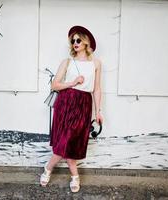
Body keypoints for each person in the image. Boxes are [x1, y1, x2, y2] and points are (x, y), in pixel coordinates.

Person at [40, 25, 103, 193]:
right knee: (65, 139)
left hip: (84, 103)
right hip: (66, 101)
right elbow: (55, 84)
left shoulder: (96, 63)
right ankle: (74, 175)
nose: (75, 43)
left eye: (78, 40)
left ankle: (48, 167)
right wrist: (73, 82)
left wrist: (98, 112)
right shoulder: (67, 62)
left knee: (72, 140)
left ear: (86, 42)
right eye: (72, 40)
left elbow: (96, 89)